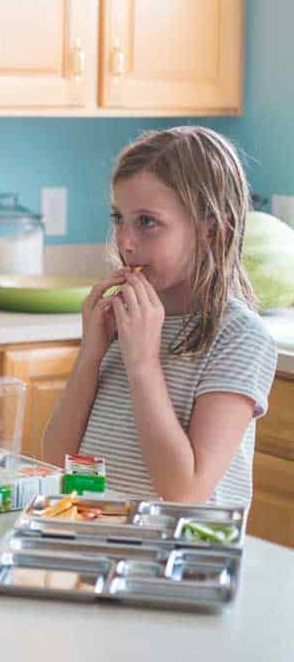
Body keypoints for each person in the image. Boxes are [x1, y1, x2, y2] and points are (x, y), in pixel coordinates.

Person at [42, 126, 277, 506]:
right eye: (119, 218)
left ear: (212, 231)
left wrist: (143, 364)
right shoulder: (128, 320)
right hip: (101, 540)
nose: (125, 241)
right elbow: (55, 464)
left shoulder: (239, 338)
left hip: (180, 560)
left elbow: (186, 492)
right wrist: (91, 355)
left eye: (147, 222)